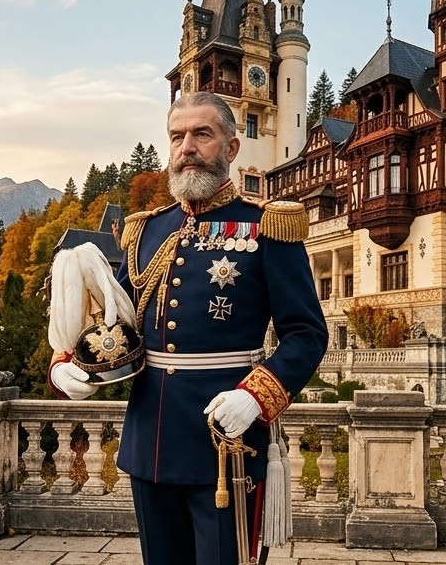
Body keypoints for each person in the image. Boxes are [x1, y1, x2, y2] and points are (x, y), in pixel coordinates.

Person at [47, 91, 328, 565]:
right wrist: (67, 364)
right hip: (149, 441)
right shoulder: (146, 231)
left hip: (225, 442)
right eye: (177, 136)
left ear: (232, 148)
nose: (187, 147)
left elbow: (306, 333)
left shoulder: (267, 227)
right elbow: (114, 323)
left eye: (203, 134)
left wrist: (257, 396)